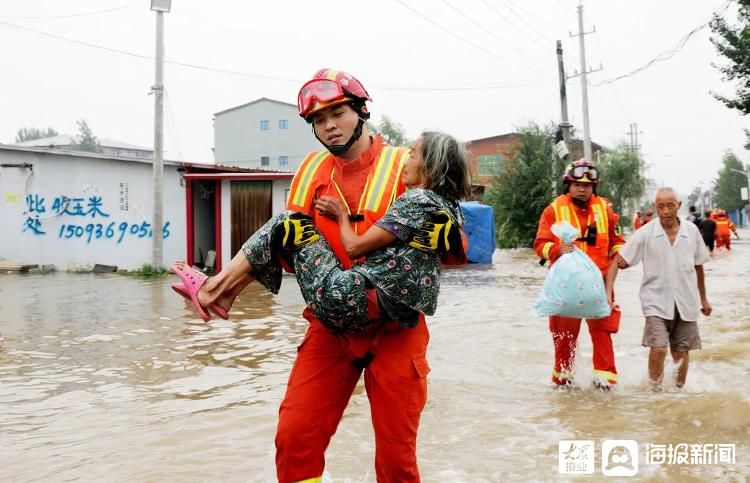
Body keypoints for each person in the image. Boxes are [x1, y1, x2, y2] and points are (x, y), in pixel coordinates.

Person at [172, 68, 468, 482]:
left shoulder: (409, 164)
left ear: (361, 111)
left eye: (338, 113)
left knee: (397, 460)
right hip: (331, 326)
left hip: (396, 332)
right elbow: (288, 254)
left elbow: (453, 250)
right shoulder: (311, 170)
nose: (329, 126)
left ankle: (217, 290)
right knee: (294, 441)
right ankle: (220, 291)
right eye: (318, 120)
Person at [605, 188, 711, 389]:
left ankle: (678, 392)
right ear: (655, 208)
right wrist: (608, 293)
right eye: (660, 206)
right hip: (655, 301)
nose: (665, 211)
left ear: (678, 206)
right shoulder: (645, 233)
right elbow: (617, 261)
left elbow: (698, 266)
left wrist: (704, 299)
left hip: (686, 301)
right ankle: (654, 393)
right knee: (659, 348)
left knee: (681, 351)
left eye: (670, 205)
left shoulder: (691, 231)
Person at [534, 158, 626, 390]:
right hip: (566, 286)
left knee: (603, 334)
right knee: (564, 338)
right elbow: (539, 244)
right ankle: (563, 383)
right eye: (577, 184)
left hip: (601, 285)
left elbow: (616, 241)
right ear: (568, 184)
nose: (582, 189)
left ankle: (605, 385)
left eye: (587, 185)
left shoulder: (605, 209)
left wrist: (621, 255)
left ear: (594, 186)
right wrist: (556, 250)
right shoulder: (554, 209)